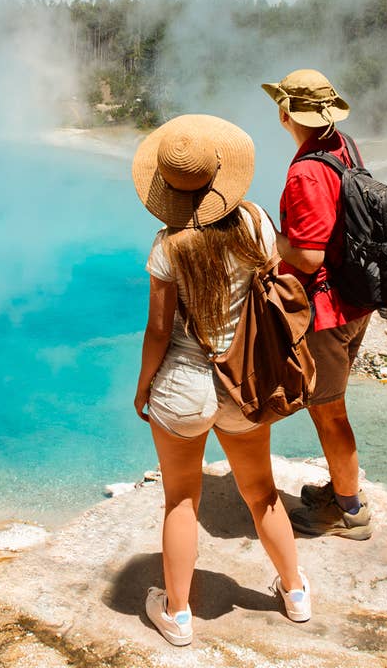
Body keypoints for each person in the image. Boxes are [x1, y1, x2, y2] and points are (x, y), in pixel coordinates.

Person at [130, 113, 312, 646]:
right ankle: (295, 591)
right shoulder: (254, 222)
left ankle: (179, 615)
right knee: (261, 493)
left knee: (181, 500)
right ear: (220, 178)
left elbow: (158, 332)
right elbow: (272, 282)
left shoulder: (167, 247)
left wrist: (144, 387)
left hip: (183, 389)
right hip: (244, 382)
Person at [261, 69, 376, 540]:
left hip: (326, 312)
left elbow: (307, 256)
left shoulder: (306, 170)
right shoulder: (341, 145)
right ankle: (340, 489)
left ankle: (350, 512)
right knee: (330, 405)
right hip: (356, 297)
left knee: (328, 410)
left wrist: (272, 238)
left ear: (286, 112)